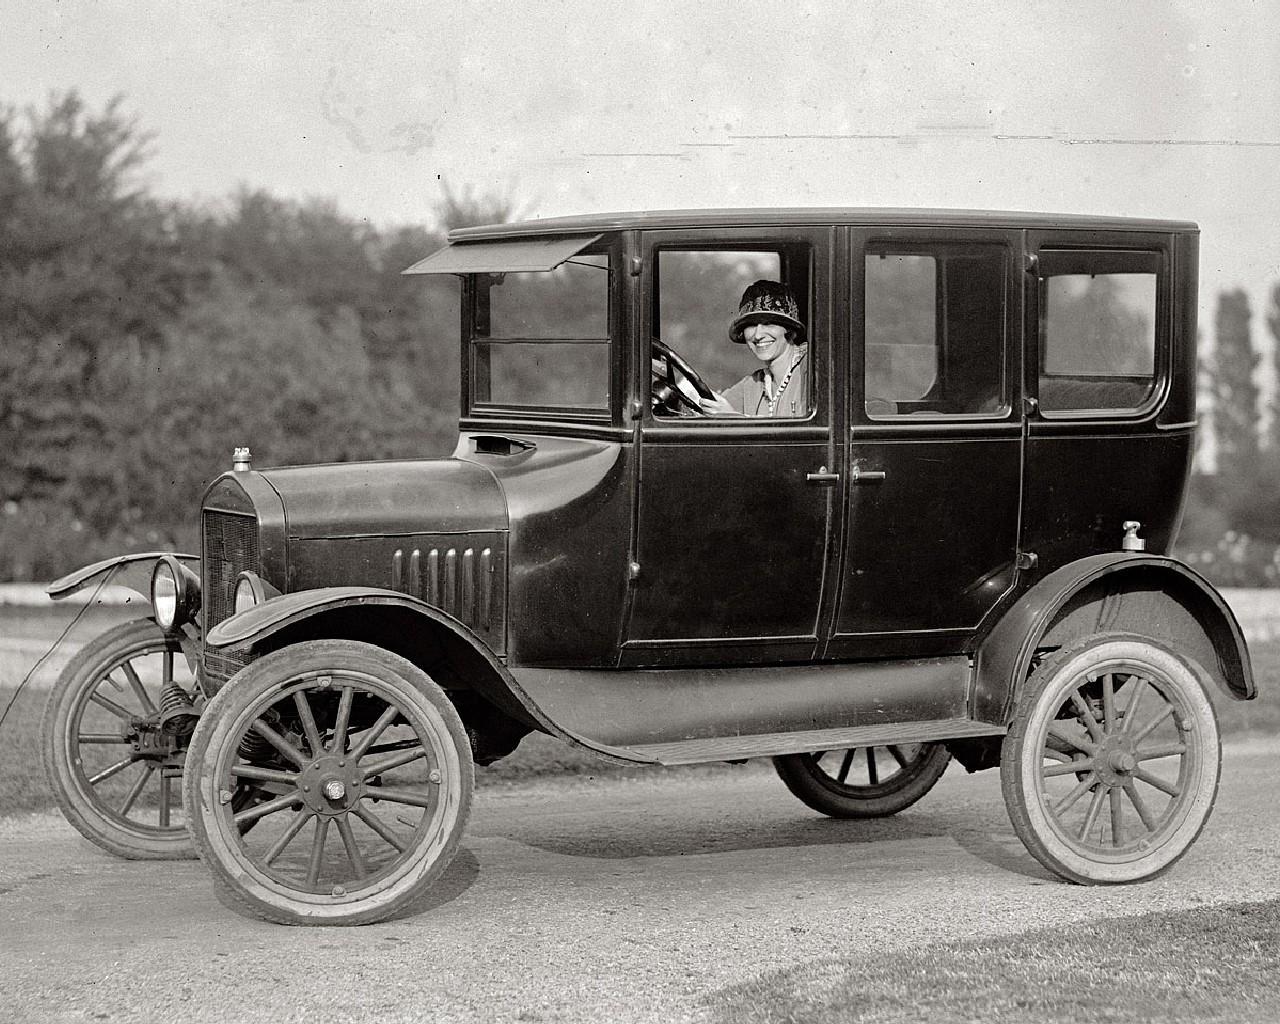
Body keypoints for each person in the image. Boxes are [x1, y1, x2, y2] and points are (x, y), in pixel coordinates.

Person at [699, 280, 809, 417]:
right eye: (751, 325)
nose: (758, 335)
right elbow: (712, 404)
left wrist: (734, 420)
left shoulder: (811, 371)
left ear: (789, 330)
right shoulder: (753, 384)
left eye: (768, 323)